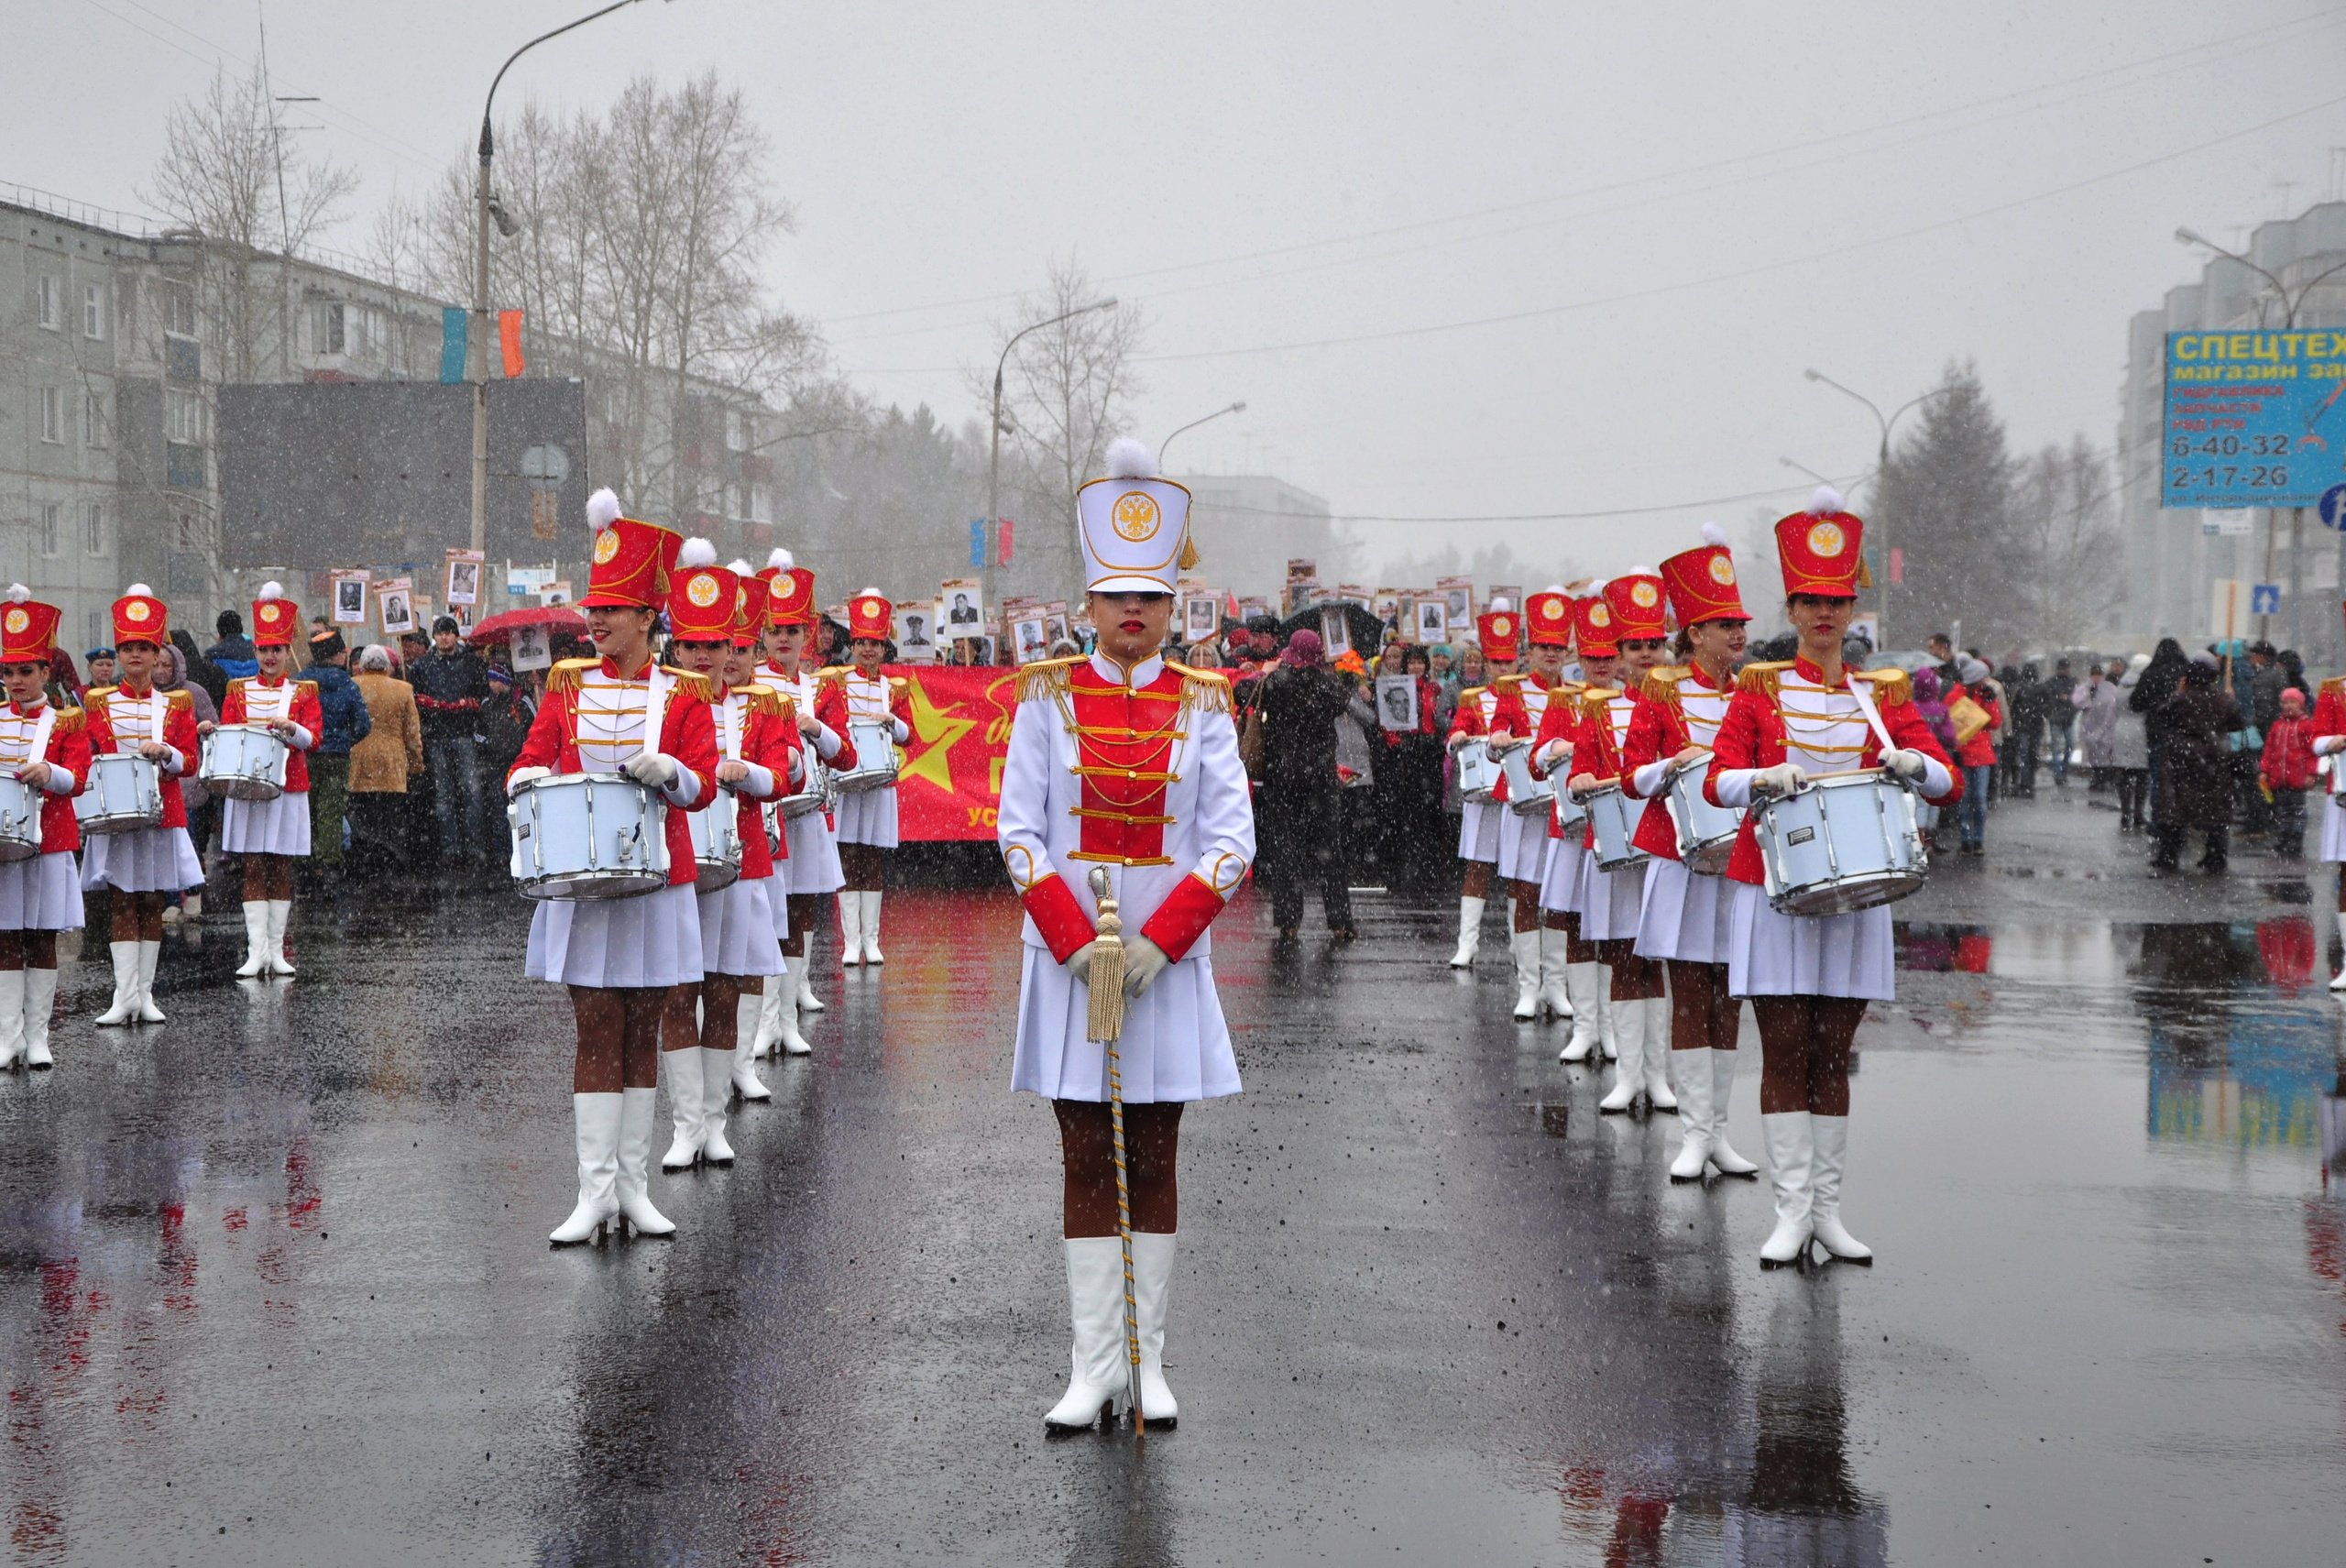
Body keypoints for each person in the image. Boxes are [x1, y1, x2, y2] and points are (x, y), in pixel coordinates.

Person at [996, 438, 1253, 1431]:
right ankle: (1092, 1362)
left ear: (1171, 605)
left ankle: (1148, 1359)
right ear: (1089, 605)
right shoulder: (1046, 699)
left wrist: (1165, 939)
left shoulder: (1204, 705)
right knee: (1081, 1151)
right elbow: (1018, 833)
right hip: (1075, 961)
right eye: (1116, 597)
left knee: (1153, 1148)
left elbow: (1231, 841)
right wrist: (1075, 942)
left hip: (1163, 960)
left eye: (1150, 596)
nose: (1133, 612)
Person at [1704, 488, 1960, 1266]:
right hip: (1774, 887)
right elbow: (1717, 781)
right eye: (1811, 599)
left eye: (1837, 600)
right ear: (1791, 603)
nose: (1824, 612)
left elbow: (1944, 776)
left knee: (1832, 1048)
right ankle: (1789, 1212)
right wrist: (1761, 779)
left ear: (1853, 608)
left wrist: (1915, 762)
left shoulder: (1881, 692)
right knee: (1783, 1045)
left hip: (1857, 893)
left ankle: (1828, 1210)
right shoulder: (1758, 688)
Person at [505, 490, 718, 1245]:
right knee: (595, 1021)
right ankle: (593, 1191)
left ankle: (634, 1187)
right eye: (593, 607)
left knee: (641, 1025)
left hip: (658, 879)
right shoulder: (566, 683)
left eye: (613, 608)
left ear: (649, 617)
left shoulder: (685, 692)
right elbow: (529, 759)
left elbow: (704, 784)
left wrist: (670, 772)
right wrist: (523, 783)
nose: (595, 620)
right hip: (579, 881)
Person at [1621, 526, 1760, 1180]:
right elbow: (1630, 775)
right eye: (1722, 622)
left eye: (1739, 622)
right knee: (1691, 991)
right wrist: (1669, 767)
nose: (1736, 633)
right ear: (1693, 632)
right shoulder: (1663, 690)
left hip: (1739, 858)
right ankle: (1693, 1134)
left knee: (1729, 994)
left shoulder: (1757, 693)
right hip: (1680, 855)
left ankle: (1720, 1133)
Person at [656, 547, 800, 1168]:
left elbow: (783, 775)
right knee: (675, 991)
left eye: (720, 645)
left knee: (721, 991)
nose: (709, 657)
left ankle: (714, 1121)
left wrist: (753, 774)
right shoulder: (662, 705)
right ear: (677, 649)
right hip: (677, 862)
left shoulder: (766, 704)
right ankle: (685, 1125)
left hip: (740, 859)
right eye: (693, 646)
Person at [1564, 572, 1677, 1113]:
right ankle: (1628, 1076)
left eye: (1654, 644)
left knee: (1657, 958)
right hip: (1612, 846)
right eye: (1635, 646)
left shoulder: (1682, 705)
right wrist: (1582, 778)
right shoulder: (1598, 709)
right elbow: (1580, 769)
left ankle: (1658, 1077)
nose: (1645, 654)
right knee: (1621, 957)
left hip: (1664, 849)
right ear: (1621, 651)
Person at [80, 585, 203, 1026]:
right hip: (114, 817)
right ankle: (122, 995)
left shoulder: (176, 704)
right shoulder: (97, 704)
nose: (134, 655)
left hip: (161, 813)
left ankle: (145, 995)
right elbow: (85, 754)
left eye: (143, 648)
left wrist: (165, 752)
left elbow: (189, 760)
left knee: (151, 900)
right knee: (120, 902)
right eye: (127, 647)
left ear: (157, 656)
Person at [752, 549, 853, 1054]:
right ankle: (764, 1022)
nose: (784, 639)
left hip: (807, 813)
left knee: (800, 914)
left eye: (793, 630)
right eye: (775, 630)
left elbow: (848, 757)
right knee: (767, 917)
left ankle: (788, 1017)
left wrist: (818, 729)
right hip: (768, 813)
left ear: (806, 635)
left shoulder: (821, 687)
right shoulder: (749, 682)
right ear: (763, 635)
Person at [206, 586, 322, 979]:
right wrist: (212, 731)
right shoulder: (237, 690)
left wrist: (293, 729)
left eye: (276, 649)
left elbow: (314, 739)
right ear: (254, 652)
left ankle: (277, 949)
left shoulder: (304, 691)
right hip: (248, 790)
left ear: (287, 652)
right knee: (253, 865)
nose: (269, 657)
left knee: (281, 867)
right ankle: (256, 951)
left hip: (289, 788)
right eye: (262, 650)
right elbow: (229, 733)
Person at [0, 588, 90, 1069]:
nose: (16, 681)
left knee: (42, 938)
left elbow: (78, 777)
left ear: (45, 673)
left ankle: (37, 1037)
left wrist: (48, 774)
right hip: (3, 847)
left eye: (25, 672)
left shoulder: (67, 722)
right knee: (5, 937)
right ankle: (7, 1036)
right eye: (9, 672)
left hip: (51, 840)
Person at [1533, 592, 1616, 1063]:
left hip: (1618, 831)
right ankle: (1586, 1027)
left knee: (1620, 936)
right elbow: (1535, 756)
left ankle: (1613, 1028)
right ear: (1580, 658)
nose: (1601, 664)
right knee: (1580, 927)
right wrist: (1557, 748)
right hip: (1572, 831)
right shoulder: (1564, 701)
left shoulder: (1636, 700)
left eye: (1609, 655)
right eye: (1593, 656)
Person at [1493, 589, 1576, 1019]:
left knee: (1559, 899)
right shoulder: (1513, 690)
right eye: (1544, 646)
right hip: (1526, 809)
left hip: (1563, 811)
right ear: (1529, 651)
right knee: (1526, 894)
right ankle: (1529, 987)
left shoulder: (1579, 693)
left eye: (1558, 648)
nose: (1551, 654)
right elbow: (1496, 737)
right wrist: (1498, 740)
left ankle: (1556, 986)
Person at [832, 592, 915, 966]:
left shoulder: (894, 687)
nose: (868, 649)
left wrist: (891, 722)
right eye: (862, 642)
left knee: (873, 857)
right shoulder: (835, 682)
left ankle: (872, 939)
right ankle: (851, 941)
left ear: (885, 647)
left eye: (876, 643)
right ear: (852, 644)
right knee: (848, 853)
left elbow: (909, 735)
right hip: (848, 780)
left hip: (880, 782)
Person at [1256, 628, 1354, 942]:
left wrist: (1265, 671)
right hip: (1321, 779)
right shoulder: (1330, 686)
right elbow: (1344, 700)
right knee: (1330, 851)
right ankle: (1339, 922)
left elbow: (1243, 694)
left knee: (1285, 850)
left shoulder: (1277, 682)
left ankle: (1288, 923)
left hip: (1282, 777)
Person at [1444, 607, 1525, 969]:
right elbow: (1453, 737)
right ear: (1487, 664)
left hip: (1514, 796)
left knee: (1515, 870)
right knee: (1477, 867)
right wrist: (1457, 738)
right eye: (1496, 662)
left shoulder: (1528, 698)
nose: (1503, 669)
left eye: (1509, 662)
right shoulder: (1472, 698)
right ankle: (1468, 943)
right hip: (1481, 795)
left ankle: (1517, 944)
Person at [410, 617, 493, 865]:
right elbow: (417, 700)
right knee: (443, 796)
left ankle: (476, 847)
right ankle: (451, 848)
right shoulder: (422, 666)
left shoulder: (472, 663)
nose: (444, 638)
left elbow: (481, 696)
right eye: (440, 633)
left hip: (464, 734)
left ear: (456, 635)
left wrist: (466, 709)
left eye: (448, 633)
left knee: (472, 794)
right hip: (436, 736)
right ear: (434, 637)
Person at [2152, 652, 2243, 872]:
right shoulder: (2223, 699)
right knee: (2214, 809)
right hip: (2213, 754)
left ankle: (2169, 855)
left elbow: (2161, 717)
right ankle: (2215, 856)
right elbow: (2237, 723)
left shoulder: (2180, 699)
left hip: (2180, 755)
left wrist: (2179, 693)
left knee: (2175, 808)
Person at [347, 643, 423, 876]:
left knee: (362, 814)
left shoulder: (352, 687)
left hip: (359, 759)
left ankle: (364, 861)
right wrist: (416, 762)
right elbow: (412, 731)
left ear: (361, 666)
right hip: (392, 761)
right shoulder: (403, 690)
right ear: (388, 666)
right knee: (390, 816)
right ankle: (391, 861)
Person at [302, 630, 369, 874]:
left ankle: (305, 861)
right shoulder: (348, 685)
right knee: (331, 810)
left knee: (305, 809)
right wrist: (344, 741)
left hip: (305, 755)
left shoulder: (299, 682)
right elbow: (364, 724)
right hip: (337, 757)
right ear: (337, 656)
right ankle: (329, 863)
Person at [1952, 660, 2001, 855]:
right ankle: (1966, 839)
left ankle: (1978, 840)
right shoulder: (1956, 694)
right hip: (1963, 753)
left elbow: (1995, 722)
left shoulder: (1987, 695)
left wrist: (1989, 704)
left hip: (1982, 755)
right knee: (1965, 798)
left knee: (1979, 798)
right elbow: (1951, 721)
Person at [2262, 685, 2316, 860]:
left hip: (2297, 777)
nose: (2288, 706)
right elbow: (2269, 750)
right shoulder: (2277, 726)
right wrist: (2265, 770)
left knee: (2297, 809)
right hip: (2279, 777)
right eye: (2285, 703)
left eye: (2292, 702)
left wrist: (2311, 773)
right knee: (2282, 810)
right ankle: (2284, 836)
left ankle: (2296, 838)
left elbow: (2311, 752)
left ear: (2300, 705)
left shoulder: (2306, 726)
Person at [2111, 655, 2152, 830]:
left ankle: (2125, 811)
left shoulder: (2121, 685)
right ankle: (2138, 812)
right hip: (2141, 730)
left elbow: (2115, 709)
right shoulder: (2146, 686)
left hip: (2121, 730)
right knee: (2142, 774)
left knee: (2124, 773)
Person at [2072, 660, 2121, 791]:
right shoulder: (2085, 688)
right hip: (2089, 725)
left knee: (2104, 752)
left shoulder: (2109, 688)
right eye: (2094, 675)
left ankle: (2102, 778)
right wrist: (2089, 694)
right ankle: (2096, 776)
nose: (2097, 678)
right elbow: (2077, 701)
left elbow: (2114, 702)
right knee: (2092, 752)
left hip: (2106, 723)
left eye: (2099, 675)